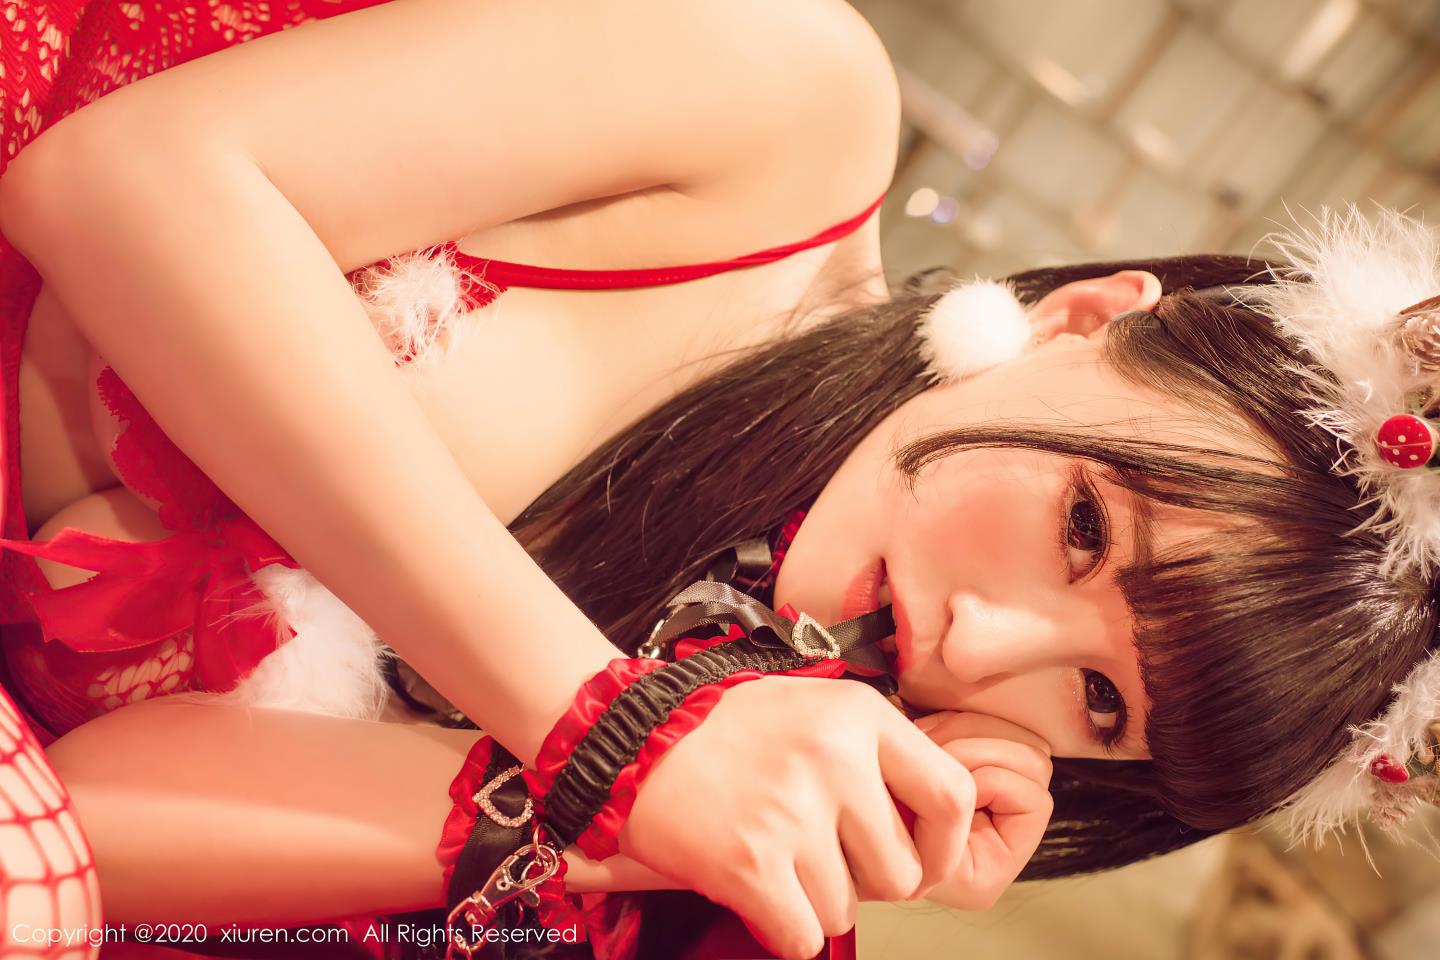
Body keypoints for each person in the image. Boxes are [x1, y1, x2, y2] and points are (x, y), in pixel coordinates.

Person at [1, 2, 1438, 960]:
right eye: (1081, 526)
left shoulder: (772, 751)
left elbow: (85, 835)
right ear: (1079, 321)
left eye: (1103, 703)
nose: (981, 644)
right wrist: (606, 723)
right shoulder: (789, 110)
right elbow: (115, 185)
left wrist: (611, 824)